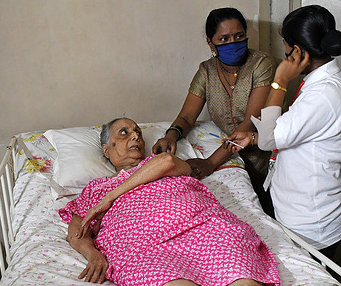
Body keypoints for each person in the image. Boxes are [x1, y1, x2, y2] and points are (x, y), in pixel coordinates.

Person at [59, 118, 280, 285]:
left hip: (204, 229)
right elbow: (77, 231)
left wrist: (110, 198)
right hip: (144, 246)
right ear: (107, 149)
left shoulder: (159, 162)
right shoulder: (96, 188)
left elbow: (165, 161)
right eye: (124, 133)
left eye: (137, 132)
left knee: (242, 277)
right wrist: (93, 254)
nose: (135, 136)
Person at [225, 5, 341, 259]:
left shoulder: (323, 94)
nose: (284, 54)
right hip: (303, 211)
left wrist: (280, 80)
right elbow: (297, 133)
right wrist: (252, 137)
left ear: (298, 51)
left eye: (286, 46)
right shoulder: (321, 85)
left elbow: (269, 138)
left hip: (312, 223)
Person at [152, 7, 276, 217]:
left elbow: (249, 124)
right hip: (232, 158)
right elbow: (186, 116)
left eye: (239, 36)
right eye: (224, 38)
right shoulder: (206, 71)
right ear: (211, 42)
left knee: (272, 216)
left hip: (263, 159)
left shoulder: (261, 64)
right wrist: (171, 135)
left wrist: (210, 162)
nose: (233, 43)